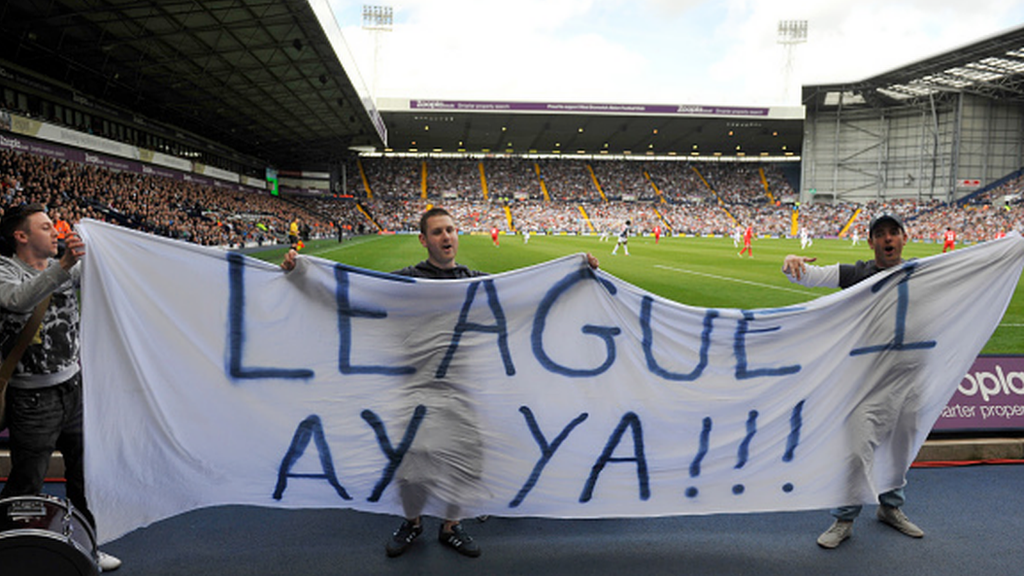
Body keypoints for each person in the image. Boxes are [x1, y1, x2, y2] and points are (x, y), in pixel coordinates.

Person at [283, 207, 599, 558]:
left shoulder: (474, 281)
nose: (446, 237)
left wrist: (574, 274)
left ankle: (451, 527)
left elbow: (525, 293)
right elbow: (352, 294)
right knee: (412, 465)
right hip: (416, 385)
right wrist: (302, 275)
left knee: (466, 459)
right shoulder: (406, 281)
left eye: (450, 230)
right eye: (437, 232)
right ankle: (413, 523)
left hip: (463, 387)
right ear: (423, 240)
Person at [781, 212, 925, 550]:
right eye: (880, 234)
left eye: (893, 233)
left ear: (904, 238)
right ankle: (844, 518)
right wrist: (791, 264)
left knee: (901, 451)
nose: (887, 239)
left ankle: (891, 509)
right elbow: (810, 277)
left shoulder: (923, 273)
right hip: (867, 384)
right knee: (857, 452)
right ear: (870, 241)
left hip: (910, 381)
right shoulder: (859, 273)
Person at [0, 203, 121, 572]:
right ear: (21, 236)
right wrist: (65, 264)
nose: (55, 232)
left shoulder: (70, 267)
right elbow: (17, 302)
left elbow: (112, 275)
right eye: (46, 227)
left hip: (74, 389)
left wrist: (103, 246)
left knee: (85, 477)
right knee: (27, 483)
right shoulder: (5, 270)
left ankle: (87, 544)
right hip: (32, 398)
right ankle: (14, 552)